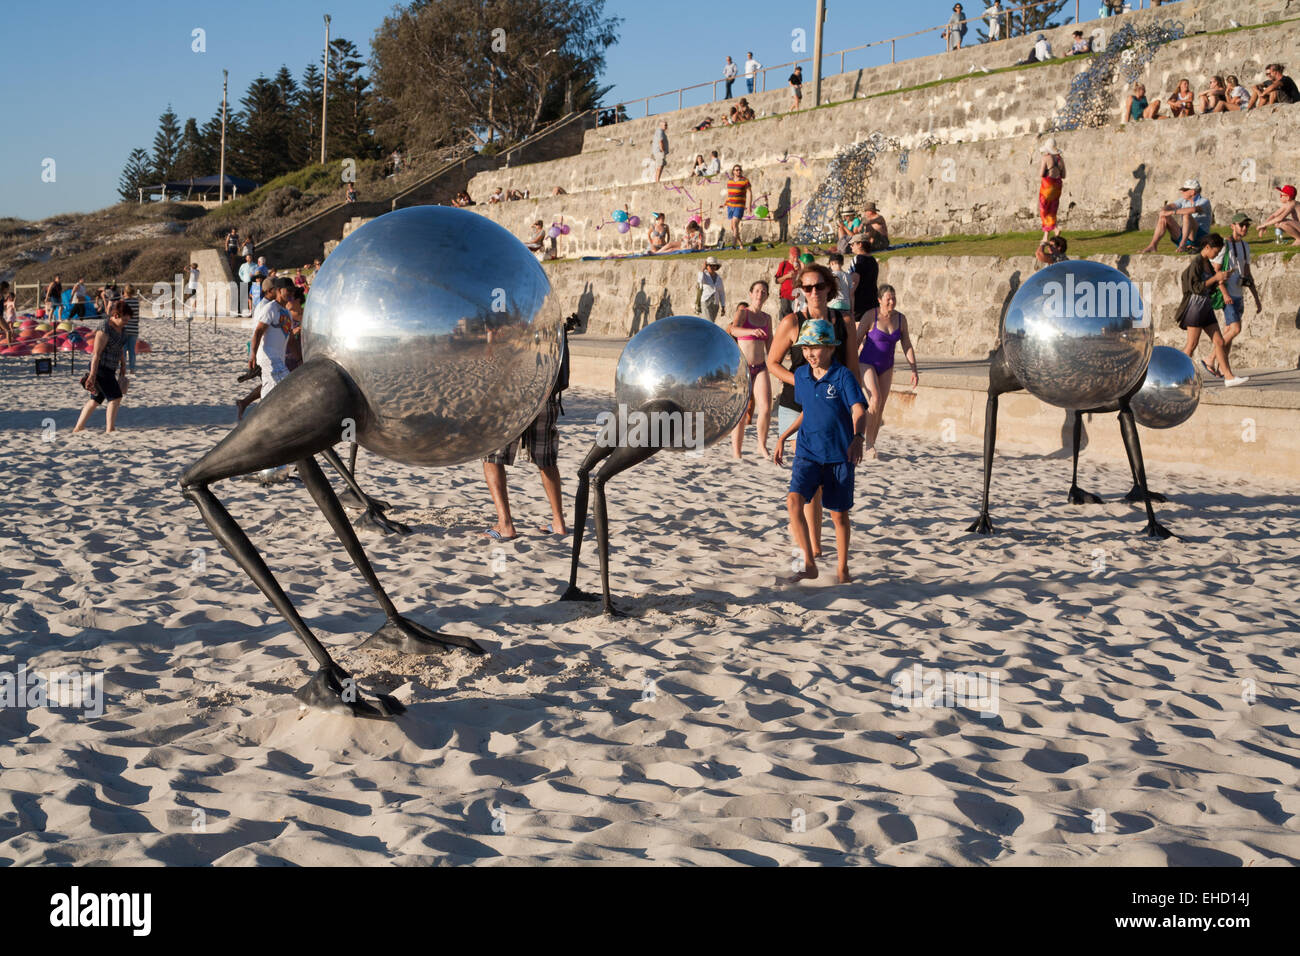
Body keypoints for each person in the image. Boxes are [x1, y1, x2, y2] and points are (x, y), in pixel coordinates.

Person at [767, 264, 862, 563]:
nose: (813, 292)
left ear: (829, 288)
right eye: (807, 287)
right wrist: (803, 382)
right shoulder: (792, 321)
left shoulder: (843, 322)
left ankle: (817, 548)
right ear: (801, 291)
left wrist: (855, 405)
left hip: (834, 404)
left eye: (819, 286)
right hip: (797, 404)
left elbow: (852, 367)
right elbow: (772, 362)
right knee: (809, 477)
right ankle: (814, 547)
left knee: (825, 478)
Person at [772, 318, 867, 585]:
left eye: (815, 347)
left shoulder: (843, 376)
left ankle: (843, 568)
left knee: (838, 516)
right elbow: (808, 411)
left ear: (831, 348)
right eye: (805, 348)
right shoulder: (801, 375)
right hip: (808, 453)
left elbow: (859, 410)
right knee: (794, 502)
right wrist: (784, 436)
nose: (810, 353)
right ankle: (809, 564)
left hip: (839, 456)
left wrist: (858, 437)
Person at [481, 325, 569, 540]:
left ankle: (505, 525)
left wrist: (490, 337)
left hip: (510, 396)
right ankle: (558, 523)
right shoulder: (545, 316)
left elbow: (491, 363)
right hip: (544, 394)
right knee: (546, 460)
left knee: (492, 457)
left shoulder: (503, 318)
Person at [1175, 234, 1247, 387]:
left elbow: (1210, 284)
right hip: (1195, 307)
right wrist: (1216, 278)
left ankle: (1229, 377)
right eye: (1216, 251)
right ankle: (1176, 376)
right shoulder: (1196, 263)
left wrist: (1221, 278)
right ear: (1207, 247)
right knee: (1191, 345)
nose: (1217, 254)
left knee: (1219, 341)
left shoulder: (1207, 262)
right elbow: (1196, 288)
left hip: (1206, 307)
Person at [856, 285, 918, 460]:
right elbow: (857, 339)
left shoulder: (901, 319)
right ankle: (865, 441)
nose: (892, 301)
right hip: (867, 362)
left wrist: (914, 369)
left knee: (880, 405)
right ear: (879, 300)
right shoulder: (871, 315)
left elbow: (907, 344)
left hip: (887, 366)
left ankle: (871, 443)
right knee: (875, 398)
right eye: (888, 298)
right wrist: (850, 365)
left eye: (894, 298)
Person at [1210, 214, 1262, 377]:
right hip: (1228, 294)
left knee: (1229, 332)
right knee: (1235, 329)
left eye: (1247, 225)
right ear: (1232, 226)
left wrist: (1256, 298)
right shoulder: (1224, 245)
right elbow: (1216, 271)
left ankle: (1223, 368)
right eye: (1241, 225)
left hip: (1238, 294)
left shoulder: (1245, 246)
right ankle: (1210, 359)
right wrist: (1225, 294)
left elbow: (1247, 273)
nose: (1245, 228)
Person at [727, 280, 775, 458]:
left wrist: (775, 363)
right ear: (751, 293)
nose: (759, 294)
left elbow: (770, 343)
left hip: (761, 367)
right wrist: (751, 332)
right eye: (757, 291)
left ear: (767, 296)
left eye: (763, 292)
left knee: (766, 407)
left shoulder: (767, 318)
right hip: (743, 368)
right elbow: (733, 330)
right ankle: (737, 453)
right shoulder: (743, 312)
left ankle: (761, 446)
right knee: (741, 412)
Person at [73, 300, 130, 434]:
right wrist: (92, 375)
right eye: (124, 320)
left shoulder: (122, 329)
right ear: (115, 316)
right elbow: (96, 354)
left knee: (96, 400)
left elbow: (120, 348)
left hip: (111, 368)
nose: (126, 323)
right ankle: (110, 429)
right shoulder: (104, 328)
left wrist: (123, 365)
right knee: (115, 397)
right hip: (101, 368)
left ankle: (79, 427)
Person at [1140, 178, 1212, 253]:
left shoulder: (1204, 201)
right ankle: (1153, 246)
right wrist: (1163, 211)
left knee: (1186, 215)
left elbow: (1194, 209)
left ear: (1192, 191)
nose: (1182, 192)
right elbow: (1170, 206)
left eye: (1185, 190)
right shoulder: (1183, 200)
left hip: (1200, 238)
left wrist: (1171, 212)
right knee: (1164, 217)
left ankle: (1183, 244)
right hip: (1186, 236)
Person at [1037, 139, 1066, 244]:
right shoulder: (1060, 159)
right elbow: (1064, 175)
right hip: (1057, 186)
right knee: (1052, 210)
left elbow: (1041, 174)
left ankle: (1055, 228)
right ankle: (1046, 236)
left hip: (1047, 186)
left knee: (1044, 210)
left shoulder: (1046, 158)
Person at [847, 233, 880, 322]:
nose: (851, 246)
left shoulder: (858, 259)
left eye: (852, 244)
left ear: (860, 244)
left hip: (859, 305)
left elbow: (854, 282)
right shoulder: (873, 260)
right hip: (873, 302)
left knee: (857, 330)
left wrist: (850, 304)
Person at [723, 164, 752, 247]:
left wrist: (749, 206)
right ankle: (740, 244)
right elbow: (729, 194)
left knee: (735, 224)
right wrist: (725, 203)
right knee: (733, 227)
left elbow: (749, 193)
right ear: (733, 171)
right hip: (730, 206)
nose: (738, 171)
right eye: (736, 170)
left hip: (739, 205)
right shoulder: (730, 181)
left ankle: (733, 245)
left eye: (739, 170)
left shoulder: (745, 181)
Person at [775, 246, 802, 318]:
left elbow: (802, 281)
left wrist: (799, 270)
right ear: (790, 255)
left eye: (798, 257)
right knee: (785, 319)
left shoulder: (800, 265)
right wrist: (787, 276)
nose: (796, 259)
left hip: (797, 297)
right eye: (794, 256)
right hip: (785, 297)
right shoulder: (784, 264)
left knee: (796, 319)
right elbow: (777, 281)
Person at [698, 256, 725, 322]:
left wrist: (723, 306)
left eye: (714, 265)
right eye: (710, 265)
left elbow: (721, 293)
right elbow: (699, 280)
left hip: (715, 303)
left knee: (710, 322)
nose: (712, 267)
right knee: (709, 321)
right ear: (707, 266)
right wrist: (703, 269)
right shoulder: (704, 275)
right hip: (706, 301)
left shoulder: (719, 278)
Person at [121, 284, 141, 373]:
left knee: (124, 350)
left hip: (124, 328)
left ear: (125, 292)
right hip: (134, 328)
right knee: (132, 350)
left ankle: (123, 368)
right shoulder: (136, 301)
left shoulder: (124, 302)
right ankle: (132, 369)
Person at [651, 120, 670, 184]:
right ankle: (657, 181)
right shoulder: (660, 131)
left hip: (660, 151)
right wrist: (662, 150)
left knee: (661, 166)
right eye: (665, 125)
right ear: (661, 125)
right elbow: (660, 141)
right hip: (659, 152)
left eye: (666, 125)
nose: (666, 126)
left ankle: (657, 180)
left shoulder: (661, 132)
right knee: (659, 166)